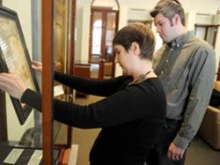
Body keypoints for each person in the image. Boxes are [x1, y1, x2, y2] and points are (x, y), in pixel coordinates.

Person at [0, 23, 167, 165]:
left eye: (118, 52)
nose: (116, 59)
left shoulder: (145, 94)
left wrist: (25, 94)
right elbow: (91, 85)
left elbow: (86, 116)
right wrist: (52, 74)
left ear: (135, 48)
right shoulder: (133, 80)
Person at [146, 0, 216, 165]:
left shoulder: (202, 51)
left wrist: (182, 140)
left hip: (172, 129)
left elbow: (198, 101)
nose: (158, 30)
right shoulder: (161, 51)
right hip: (150, 124)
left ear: (176, 19)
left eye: (161, 24)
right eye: (156, 25)